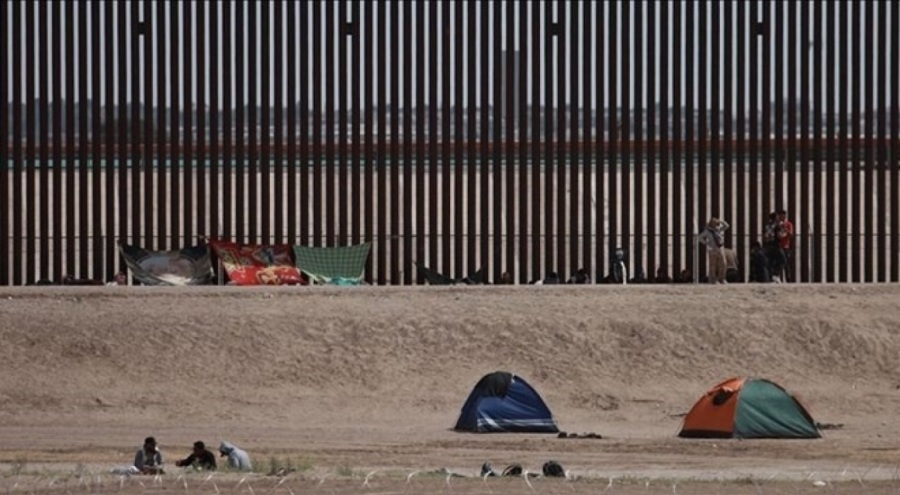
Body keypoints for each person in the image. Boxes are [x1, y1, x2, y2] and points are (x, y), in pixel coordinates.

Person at [697, 217, 730, 284]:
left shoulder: (718, 230)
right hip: (712, 249)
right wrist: (706, 243)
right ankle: (713, 279)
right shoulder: (707, 231)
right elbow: (699, 237)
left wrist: (720, 221)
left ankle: (722, 278)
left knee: (723, 264)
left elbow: (726, 226)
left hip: (720, 248)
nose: (716, 225)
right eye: (714, 223)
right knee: (713, 265)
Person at [777, 209, 794, 282]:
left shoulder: (788, 224)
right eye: (780, 216)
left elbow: (791, 235)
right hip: (778, 246)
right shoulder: (776, 225)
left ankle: (788, 279)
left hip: (786, 246)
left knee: (786, 263)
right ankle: (780, 279)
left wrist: (785, 228)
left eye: (783, 216)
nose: (782, 217)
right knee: (779, 264)